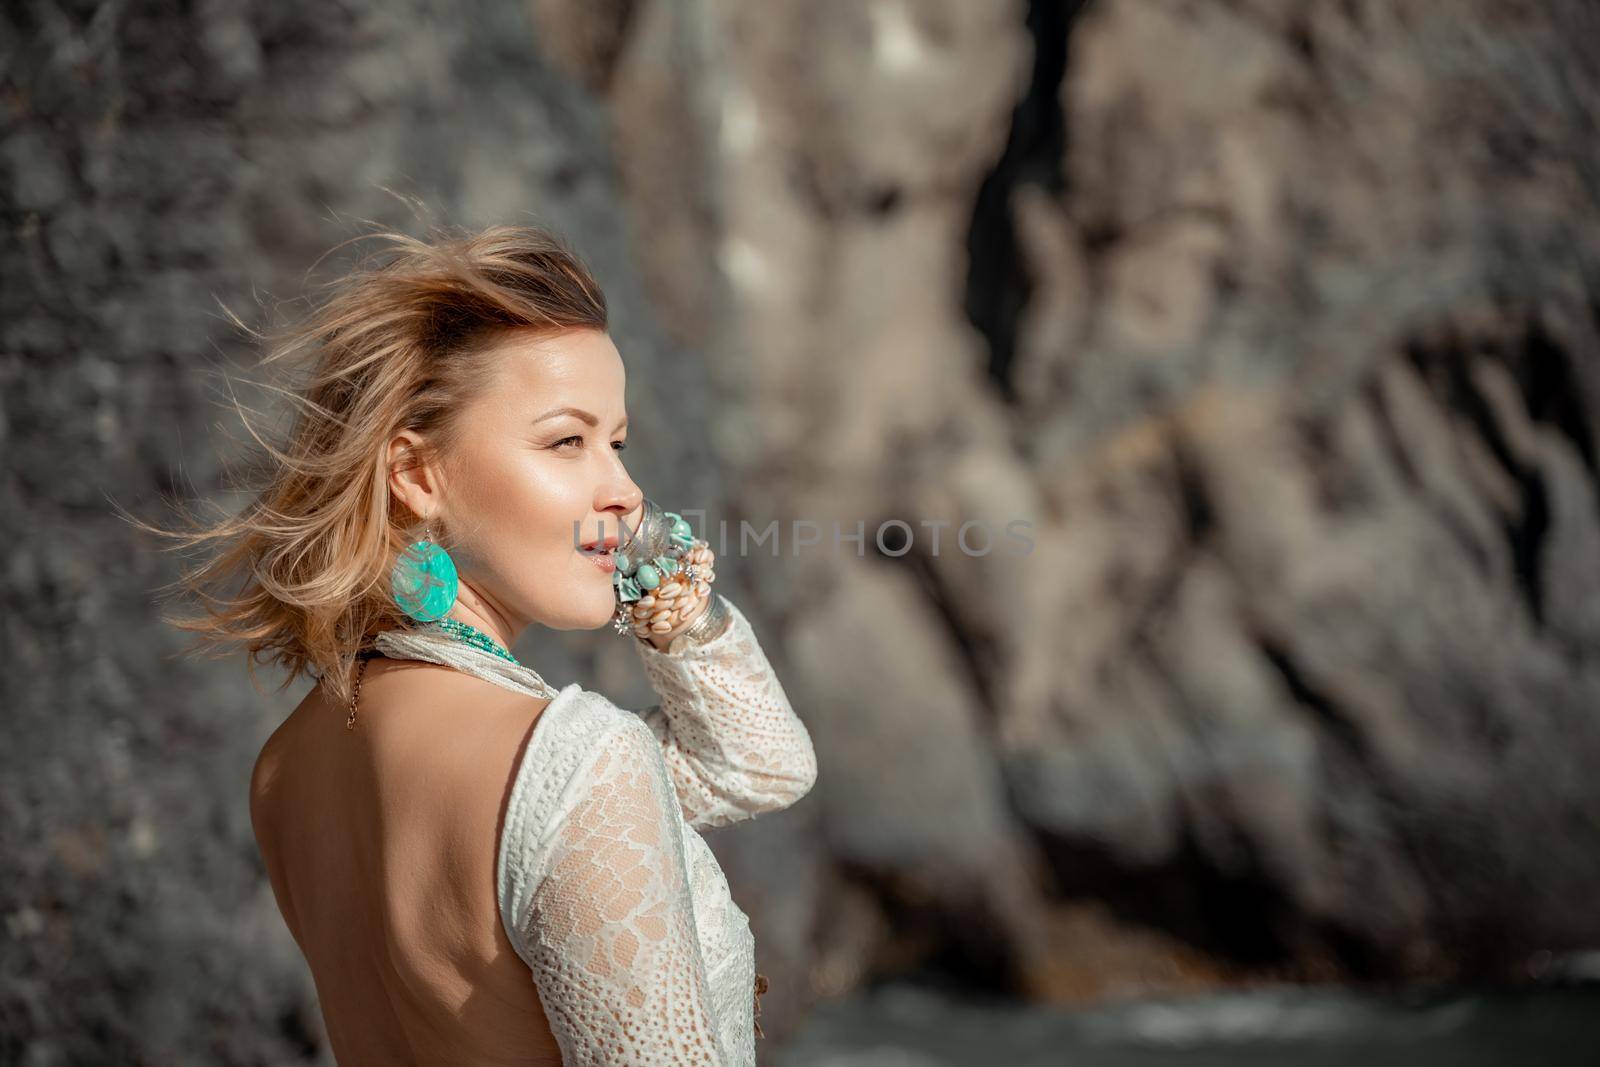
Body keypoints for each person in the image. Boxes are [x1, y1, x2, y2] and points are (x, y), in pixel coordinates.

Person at [159, 225, 818, 1064]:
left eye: (617, 441)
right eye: (565, 440)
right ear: (417, 474)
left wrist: (667, 594)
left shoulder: (286, 767)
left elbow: (757, 762)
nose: (625, 490)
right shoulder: (582, 765)